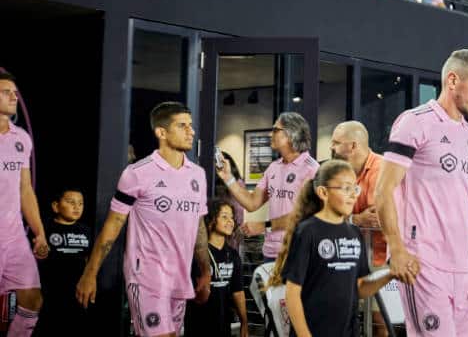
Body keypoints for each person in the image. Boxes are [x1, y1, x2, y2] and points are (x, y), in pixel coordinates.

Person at [375, 49, 468, 337]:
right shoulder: (415, 121)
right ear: (452, 80)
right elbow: (383, 191)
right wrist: (398, 250)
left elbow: (463, 207)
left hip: (462, 268)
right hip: (423, 262)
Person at [76, 101, 211, 337]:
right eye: (182, 126)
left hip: (180, 276)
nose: (192, 131)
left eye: (191, 126)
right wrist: (90, 273)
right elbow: (112, 226)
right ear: (161, 132)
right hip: (146, 275)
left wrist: (205, 271)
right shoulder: (137, 173)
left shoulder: (197, 175)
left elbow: (198, 225)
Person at [278, 160, 392, 337]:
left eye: (355, 189)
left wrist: (390, 275)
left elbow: (359, 289)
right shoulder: (307, 231)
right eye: (346, 188)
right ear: (323, 192)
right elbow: (292, 293)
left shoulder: (354, 233)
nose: (353, 195)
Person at [216, 112, 320, 262]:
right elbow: (252, 203)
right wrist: (228, 177)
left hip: (298, 251)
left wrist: (264, 226)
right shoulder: (274, 167)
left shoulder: (311, 169)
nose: (271, 134)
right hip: (271, 252)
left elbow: (304, 214)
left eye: (276, 130)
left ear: (291, 135)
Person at [329, 121, 388, 336]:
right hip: (349, 257)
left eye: (336, 143)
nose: (332, 148)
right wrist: (355, 218)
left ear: (353, 146)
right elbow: (332, 212)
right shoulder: (341, 172)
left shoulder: (381, 168)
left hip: (380, 258)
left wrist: (350, 216)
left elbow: (376, 217)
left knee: (380, 319)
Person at [0, 71, 48, 337]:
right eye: (6, 92)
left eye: (14, 92)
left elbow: (25, 189)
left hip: (15, 236)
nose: (13, 96)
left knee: (32, 299)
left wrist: (39, 232)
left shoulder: (21, 139)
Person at [185, 199, 248, 337]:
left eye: (231, 217)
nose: (230, 221)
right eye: (224, 216)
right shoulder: (197, 254)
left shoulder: (233, 255)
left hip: (223, 327)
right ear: (212, 220)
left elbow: (238, 292)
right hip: (197, 327)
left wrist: (244, 322)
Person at [35, 187, 91, 337]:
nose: (76, 207)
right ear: (56, 206)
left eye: (80, 203)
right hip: (50, 294)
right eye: (71, 202)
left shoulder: (86, 230)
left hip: (77, 294)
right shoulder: (45, 229)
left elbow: (88, 260)